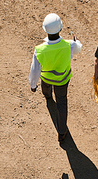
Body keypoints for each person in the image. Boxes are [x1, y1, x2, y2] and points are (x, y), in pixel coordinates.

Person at [29, 13, 82, 142]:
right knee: (61, 102)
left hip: (46, 78)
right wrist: (76, 41)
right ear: (61, 29)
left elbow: (35, 69)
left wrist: (33, 84)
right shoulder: (69, 45)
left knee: (46, 88)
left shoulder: (40, 50)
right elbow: (78, 49)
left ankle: (47, 96)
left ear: (45, 30)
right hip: (62, 80)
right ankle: (62, 132)